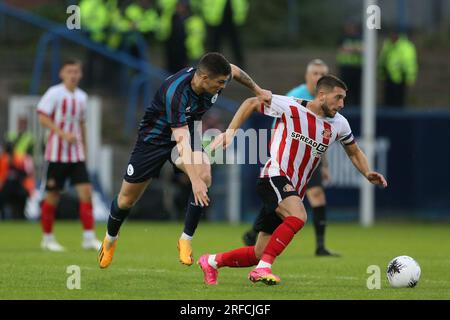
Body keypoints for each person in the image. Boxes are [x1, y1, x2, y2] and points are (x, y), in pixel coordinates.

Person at [200, 75, 387, 285]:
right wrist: (230, 132)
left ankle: (212, 261)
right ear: (322, 95)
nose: (342, 104)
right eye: (338, 98)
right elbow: (251, 102)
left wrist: (367, 172)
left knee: (259, 252)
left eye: (344, 99)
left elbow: (354, 152)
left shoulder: (340, 124)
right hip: (274, 176)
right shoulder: (291, 107)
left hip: (292, 189)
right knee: (298, 216)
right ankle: (263, 269)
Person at [97, 52, 271, 269]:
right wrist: (194, 182)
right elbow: (181, 143)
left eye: (224, 82)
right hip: (154, 141)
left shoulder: (215, 77)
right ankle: (111, 238)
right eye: (219, 83)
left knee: (204, 174)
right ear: (204, 78)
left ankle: (185, 239)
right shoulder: (176, 93)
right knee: (126, 200)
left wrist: (258, 90)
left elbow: (234, 69)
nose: (222, 87)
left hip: (189, 131)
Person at [242, 59, 340, 257]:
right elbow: (276, 122)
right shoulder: (296, 96)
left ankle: (320, 246)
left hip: (310, 160)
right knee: (284, 199)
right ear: (307, 77)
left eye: (323, 73)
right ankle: (257, 235)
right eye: (315, 73)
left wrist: (325, 165)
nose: (319, 76)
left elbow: (324, 137)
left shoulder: (329, 104)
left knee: (315, 195)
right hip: (288, 157)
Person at [36, 59, 102, 252]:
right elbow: (42, 118)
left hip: (76, 156)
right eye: (69, 71)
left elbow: (82, 124)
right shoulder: (54, 93)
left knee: (86, 193)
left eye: (76, 72)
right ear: (62, 74)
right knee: (52, 196)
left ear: (80, 75)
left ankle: (88, 238)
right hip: (56, 155)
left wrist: (85, 149)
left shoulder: (82, 97)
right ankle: (47, 239)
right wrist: (63, 134)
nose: (73, 75)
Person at [200, 0, 249, 67]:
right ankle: (212, 63)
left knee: (235, 43)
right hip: (216, 16)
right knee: (215, 43)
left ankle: (239, 63)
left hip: (233, 16)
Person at [378, 31, 418, 107]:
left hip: (400, 80)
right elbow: (382, 61)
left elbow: (410, 64)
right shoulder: (387, 45)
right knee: (388, 103)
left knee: (399, 103)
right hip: (388, 79)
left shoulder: (406, 46)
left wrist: (410, 78)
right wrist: (381, 75)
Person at [336, 22, 363, 106]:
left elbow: (362, 50)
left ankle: (357, 106)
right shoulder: (343, 38)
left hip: (357, 68)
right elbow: (341, 49)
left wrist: (351, 49)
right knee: (344, 89)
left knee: (357, 90)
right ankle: (344, 106)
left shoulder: (360, 38)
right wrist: (355, 50)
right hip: (345, 67)